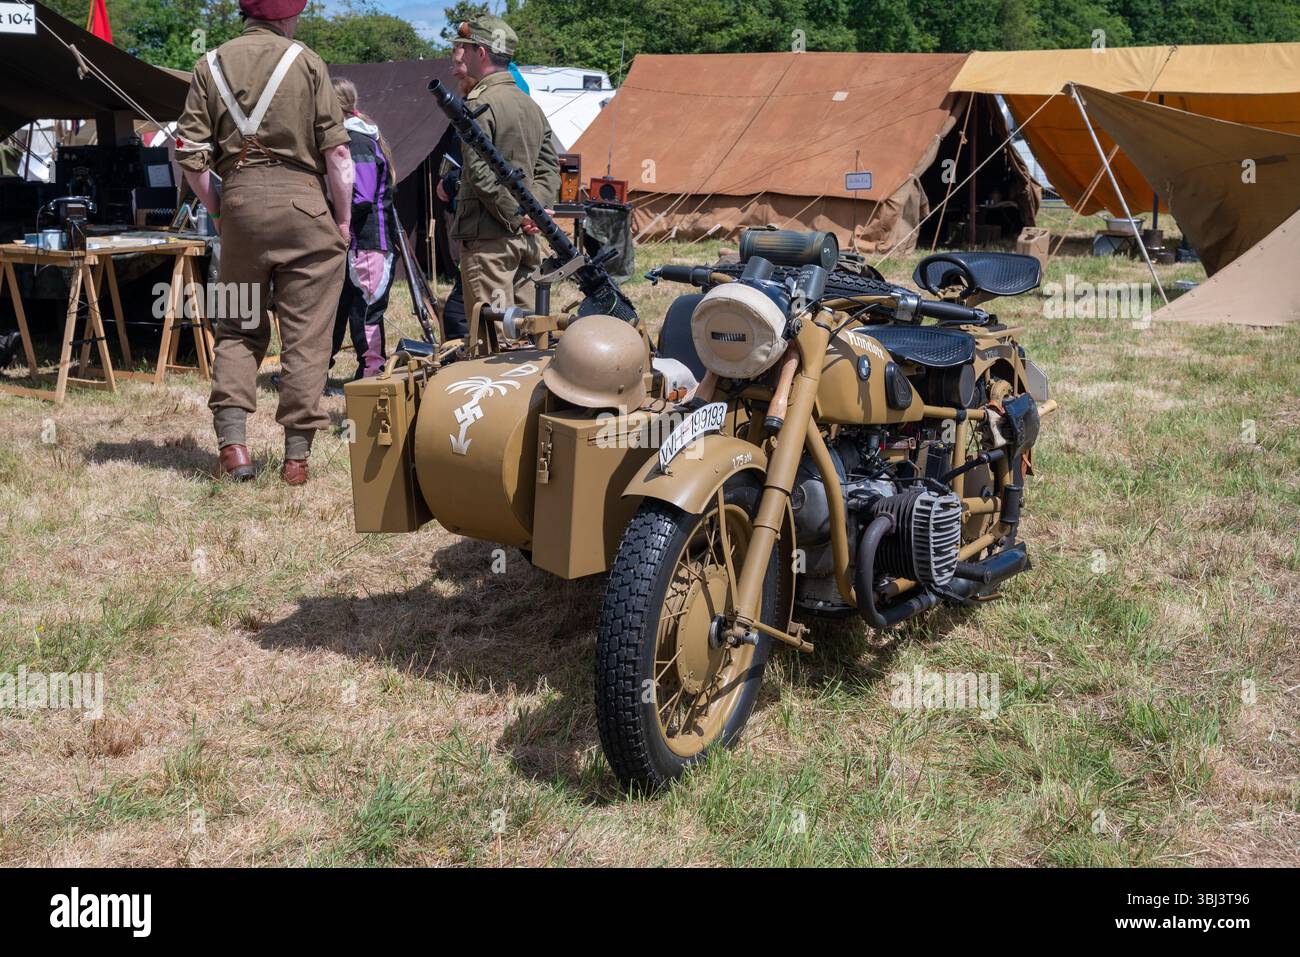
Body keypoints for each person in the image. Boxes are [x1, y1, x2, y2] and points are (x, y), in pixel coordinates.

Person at [175, 0, 353, 486]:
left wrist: (219, 209)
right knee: (307, 335)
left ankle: (234, 448)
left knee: (236, 326)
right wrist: (342, 221)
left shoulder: (207, 64)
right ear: (286, 16)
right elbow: (337, 154)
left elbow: (190, 158)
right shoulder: (308, 60)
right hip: (305, 207)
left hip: (239, 209)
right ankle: (296, 459)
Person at [446, 15, 560, 322]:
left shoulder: (477, 103)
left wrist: (517, 215)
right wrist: (533, 212)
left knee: (493, 340)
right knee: (529, 332)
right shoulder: (530, 105)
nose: (461, 57)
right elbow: (550, 167)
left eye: (465, 49)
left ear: (480, 53)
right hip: (527, 239)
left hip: (490, 239)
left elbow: (480, 173)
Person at [329, 78, 399, 380]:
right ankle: (316, 372)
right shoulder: (356, 135)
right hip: (357, 242)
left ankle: (371, 374)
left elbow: (362, 195)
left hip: (369, 242)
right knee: (338, 310)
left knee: (366, 314)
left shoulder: (357, 140)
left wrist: (333, 218)